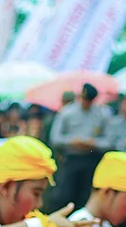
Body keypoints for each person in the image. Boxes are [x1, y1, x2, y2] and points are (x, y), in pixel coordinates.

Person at [48, 82, 113, 211]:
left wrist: (94, 143)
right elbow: (55, 138)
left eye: (89, 100)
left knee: (85, 196)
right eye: (84, 99)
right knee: (64, 194)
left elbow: (108, 141)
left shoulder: (102, 114)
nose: (86, 103)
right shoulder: (67, 112)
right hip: (71, 158)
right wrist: (71, 142)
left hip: (91, 158)